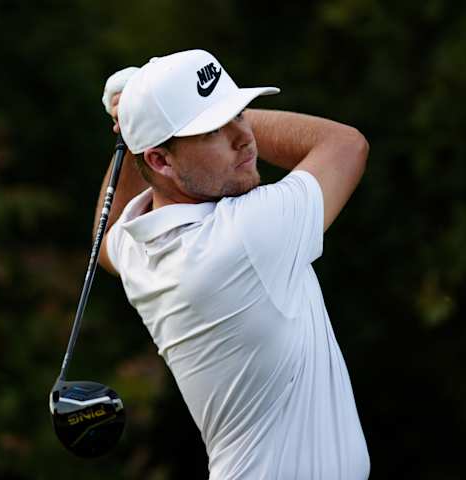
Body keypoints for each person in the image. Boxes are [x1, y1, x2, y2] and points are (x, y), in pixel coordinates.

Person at [95, 49, 370, 479]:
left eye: (240, 114)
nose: (243, 137)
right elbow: (345, 144)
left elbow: (107, 239)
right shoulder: (242, 237)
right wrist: (149, 119)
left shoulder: (143, 248)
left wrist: (142, 125)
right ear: (160, 160)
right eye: (210, 130)